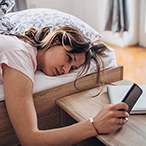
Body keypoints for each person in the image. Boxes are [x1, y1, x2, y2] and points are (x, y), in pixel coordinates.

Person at [0, 25, 129, 146]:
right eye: (68, 58)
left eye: (72, 68)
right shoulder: (19, 54)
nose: (66, 70)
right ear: (55, 41)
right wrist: (94, 125)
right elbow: (30, 139)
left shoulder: (23, 49)